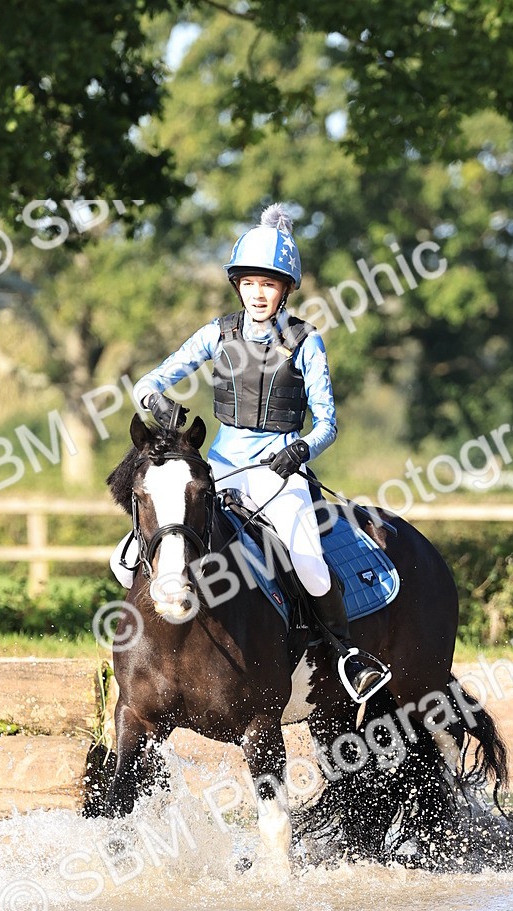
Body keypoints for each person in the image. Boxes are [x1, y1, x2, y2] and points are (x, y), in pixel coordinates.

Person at [110, 203, 388, 701]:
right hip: (219, 469)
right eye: (251, 283)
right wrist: (158, 402)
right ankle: (146, 654)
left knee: (308, 561)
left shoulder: (305, 341)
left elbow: (328, 422)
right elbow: (151, 381)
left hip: (280, 472)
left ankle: (347, 655)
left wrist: (300, 449)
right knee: (127, 556)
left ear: (285, 289)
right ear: (239, 284)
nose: (259, 293)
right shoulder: (216, 334)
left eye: (270, 284)